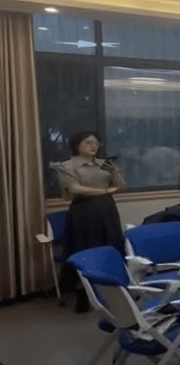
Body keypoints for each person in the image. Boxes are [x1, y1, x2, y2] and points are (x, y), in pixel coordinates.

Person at [56, 131, 127, 312]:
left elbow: (120, 187)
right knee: (84, 249)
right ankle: (82, 293)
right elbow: (74, 188)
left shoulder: (104, 164)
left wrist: (115, 172)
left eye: (95, 143)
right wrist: (103, 191)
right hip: (84, 212)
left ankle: (115, 291)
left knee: (111, 246)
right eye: (87, 143)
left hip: (107, 210)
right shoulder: (67, 166)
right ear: (77, 145)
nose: (93, 146)